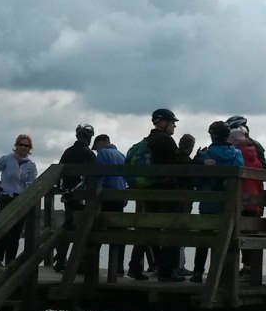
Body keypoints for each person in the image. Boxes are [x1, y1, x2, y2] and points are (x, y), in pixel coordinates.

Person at [190, 121, 245, 282]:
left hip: (208, 203)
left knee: (204, 238)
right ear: (227, 135)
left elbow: (197, 181)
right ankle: (220, 274)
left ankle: (198, 272)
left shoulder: (206, 154)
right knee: (226, 238)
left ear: (212, 135)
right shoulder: (236, 154)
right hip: (229, 204)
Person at [139, 108, 190, 282]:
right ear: (162, 122)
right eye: (172, 122)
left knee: (153, 228)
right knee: (172, 229)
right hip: (168, 191)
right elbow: (177, 165)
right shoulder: (165, 140)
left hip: (151, 190)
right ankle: (167, 271)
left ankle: (158, 266)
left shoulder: (149, 140)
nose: (174, 125)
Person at [0, 133, 38, 271]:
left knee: (16, 233)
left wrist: (27, 195)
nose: (23, 147)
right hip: (6, 197)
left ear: (29, 149)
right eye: (20, 144)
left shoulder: (31, 166)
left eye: (26, 145)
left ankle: (10, 261)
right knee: (2, 231)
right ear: (16, 146)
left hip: (20, 200)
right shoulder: (6, 159)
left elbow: (32, 182)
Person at [227, 116, 266, 281]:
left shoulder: (235, 150)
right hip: (256, 197)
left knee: (237, 234)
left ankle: (237, 270)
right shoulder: (257, 148)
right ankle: (251, 269)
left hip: (241, 197)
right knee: (252, 234)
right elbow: (265, 170)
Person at [53, 124, 97, 272]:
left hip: (68, 196)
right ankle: (80, 264)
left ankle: (60, 259)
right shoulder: (89, 154)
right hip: (82, 196)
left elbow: (59, 173)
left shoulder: (68, 152)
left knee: (68, 226)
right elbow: (89, 177)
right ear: (89, 138)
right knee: (83, 229)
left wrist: (64, 192)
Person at [91, 133, 132, 277]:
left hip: (107, 197)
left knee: (96, 232)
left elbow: (100, 176)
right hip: (120, 198)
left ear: (100, 143)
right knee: (118, 234)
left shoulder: (102, 153)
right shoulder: (121, 155)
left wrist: (96, 196)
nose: (96, 151)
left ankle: (90, 268)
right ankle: (118, 268)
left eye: (95, 148)